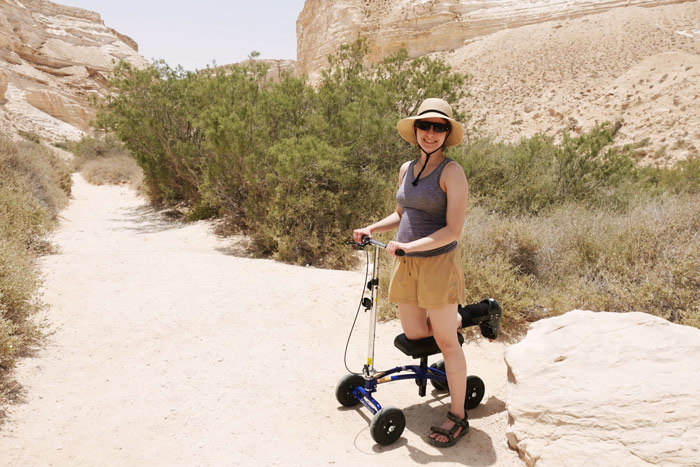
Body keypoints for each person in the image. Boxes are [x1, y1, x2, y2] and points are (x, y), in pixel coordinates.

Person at [353, 97, 471, 448]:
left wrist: (411, 246)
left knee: (447, 342)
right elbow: (403, 216)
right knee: (416, 333)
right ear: (415, 130)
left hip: (436, 263)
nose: (431, 133)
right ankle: (458, 316)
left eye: (439, 127)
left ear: (447, 133)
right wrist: (372, 228)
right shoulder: (407, 169)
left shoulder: (452, 172)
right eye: (425, 125)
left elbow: (453, 230)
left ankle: (459, 415)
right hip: (406, 262)